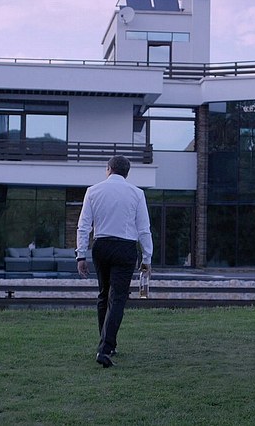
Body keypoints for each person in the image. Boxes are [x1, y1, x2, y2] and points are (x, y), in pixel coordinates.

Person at [76, 155, 153, 368]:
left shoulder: (93, 191)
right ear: (127, 172)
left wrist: (80, 255)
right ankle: (105, 348)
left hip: (101, 246)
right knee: (117, 298)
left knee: (104, 295)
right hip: (125, 248)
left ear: (109, 168)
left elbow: (84, 226)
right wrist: (146, 259)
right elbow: (144, 229)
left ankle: (107, 344)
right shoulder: (137, 194)